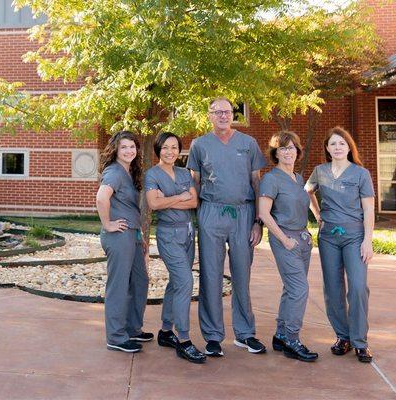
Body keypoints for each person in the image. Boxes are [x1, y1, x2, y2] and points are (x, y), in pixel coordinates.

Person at [187, 97, 267, 357]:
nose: (223, 115)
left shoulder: (248, 144)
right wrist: (198, 219)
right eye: (217, 111)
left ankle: (245, 334)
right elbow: (194, 185)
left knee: (242, 275)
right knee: (210, 275)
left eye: (227, 111)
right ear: (209, 115)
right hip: (211, 211)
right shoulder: (199, 145)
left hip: (244, 214)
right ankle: (212, 336)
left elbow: (257, 183)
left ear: (233, 114)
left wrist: (258, 221)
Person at [306, 126, 375, 363]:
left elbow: (368, 208)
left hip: (354, 236)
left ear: (349, 147)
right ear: (327, 148)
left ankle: (360, 341)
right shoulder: (320, 171)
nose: (337, 147)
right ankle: (342, 337)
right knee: (333, 288)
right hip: (328, 237)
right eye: (333, 144)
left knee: (357, 286)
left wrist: (368, 240)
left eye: (342, 143)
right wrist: (317, 214)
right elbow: (307, 192)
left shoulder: (360, 174)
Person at [145, 132, 206, 364]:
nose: (170, 152)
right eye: (165, 147)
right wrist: (180, 196)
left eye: (174, 147)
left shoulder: (184, 173)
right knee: (185, 282)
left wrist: (169, 199)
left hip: (189, 234)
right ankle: (184, 339)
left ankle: (165, 331)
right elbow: (153, 204)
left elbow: (194, 201)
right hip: (168, 235)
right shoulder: (152, 174)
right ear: (158, 150)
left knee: (175, 282)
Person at [258, 131, 319, 362]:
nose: (288, 152)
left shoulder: (299, 178)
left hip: (302, 239)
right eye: (283, 148)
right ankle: (292, 339)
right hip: (285, 240)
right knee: (300, 289)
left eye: (292, 148)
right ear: (275, 153)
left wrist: (318, 219)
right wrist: (284, 239)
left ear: (298, 151)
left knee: (291, 288)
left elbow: (307, 202)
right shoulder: (270, 179)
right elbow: (264, 213)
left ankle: (281, 335)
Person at [96, 131, 152, 353]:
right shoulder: (114, 172)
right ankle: (116, 337)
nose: (129, 151)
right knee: (119, 286)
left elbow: (130, 208)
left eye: (132, 146)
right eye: (124, 147)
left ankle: (132, 328)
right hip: (119, 236)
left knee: (140, 281)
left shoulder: (129, 172)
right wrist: (108, 224)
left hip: (132, 234)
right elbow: (101, 198)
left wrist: (140, 235)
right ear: (115, 150)